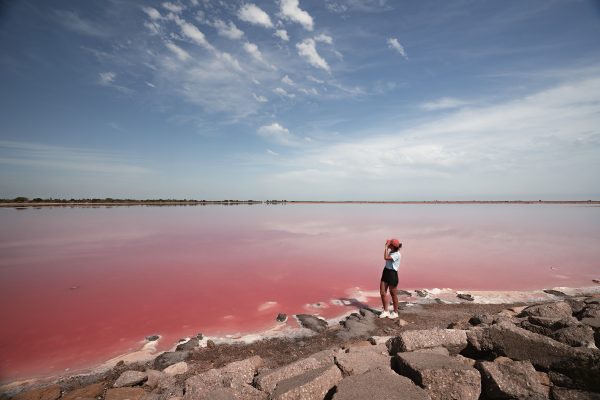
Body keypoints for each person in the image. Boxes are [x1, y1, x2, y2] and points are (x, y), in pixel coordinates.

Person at [379, 238, 402, 319]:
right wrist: (388, 246)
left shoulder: (397, 254)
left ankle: (395, 312)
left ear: (392, 246)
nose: (388, 244)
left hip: (392, 274)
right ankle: (386, 311)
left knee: (393, 294)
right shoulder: (392, 251)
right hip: (386, 272)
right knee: (382, 292)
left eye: (390, 244)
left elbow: (385, 258)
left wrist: (385, 247)